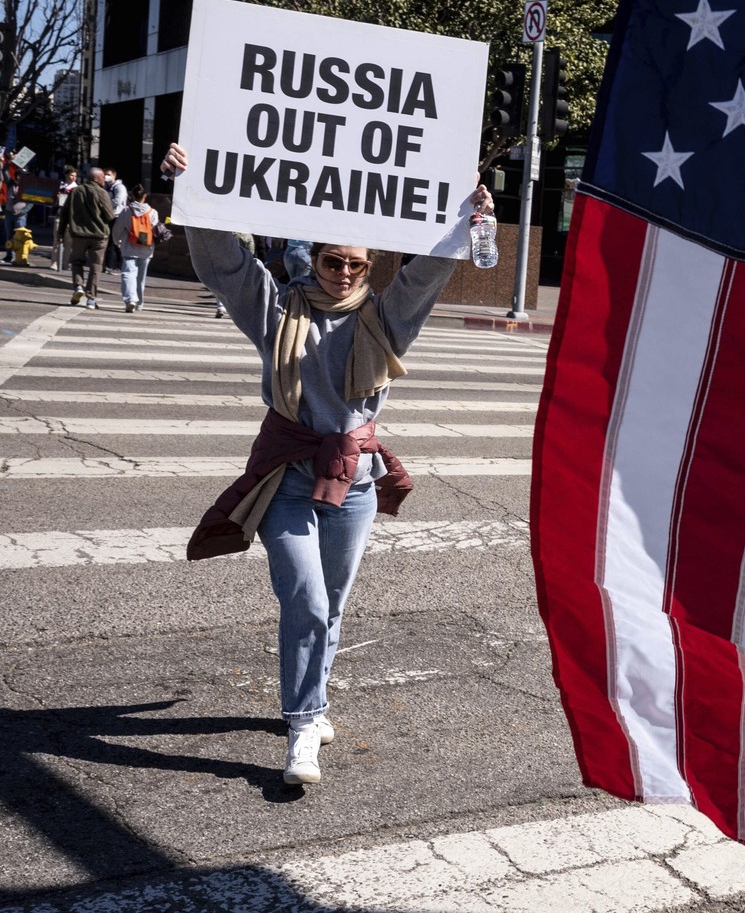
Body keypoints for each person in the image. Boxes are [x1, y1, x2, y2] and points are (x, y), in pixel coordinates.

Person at [164, 142, 487, 786]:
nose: (344, 272)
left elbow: (423, 276)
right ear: (314, 259)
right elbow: (226, 264)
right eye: (334, 260)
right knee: (306, 600)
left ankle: (310, 698)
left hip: (356, 484)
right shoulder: (278, 310)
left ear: (369, 268)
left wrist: (467, 216)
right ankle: (305, 721)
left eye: (356, 263)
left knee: (332, 605)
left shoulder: (385, 319)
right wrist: (193, 194)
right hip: (287, 479)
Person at [64, 168, 115, 309]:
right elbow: (110, 216)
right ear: (95, 179)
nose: (104, 180)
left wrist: (61, 232)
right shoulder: (102, 193)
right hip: (99, 236)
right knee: (95, 267)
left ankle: (78, 287)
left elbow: (65, 213)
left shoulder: (75, 191)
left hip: (79, 234)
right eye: (102, 178)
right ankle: (91, 299)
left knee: (76, 262)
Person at [110, 184, 161, 312]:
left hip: (129, 247)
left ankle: (130, 299)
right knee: (140, 278)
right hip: (146, 249)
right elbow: (155, 231)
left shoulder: (127, 211)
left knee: (128, 274)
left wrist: (118, 242)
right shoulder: (153, 212)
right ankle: (139, 303)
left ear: (132, 196)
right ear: (145, 196)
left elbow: (117, 230)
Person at [103, 167, 129, 274]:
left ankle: (119, 266)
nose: (106, 176)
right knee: (109, 242)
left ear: (114, 176)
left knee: (116, 242)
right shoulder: (106, 187)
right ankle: (108, 265)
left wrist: (105, 205)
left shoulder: (119, 187)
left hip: (118, 217)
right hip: (109, 217)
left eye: (108, 174)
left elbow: (118, 201)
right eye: (105, 174)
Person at [53, 167, 78, 272]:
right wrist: (56, 197)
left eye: (75, 176)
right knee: (57, 240)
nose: (73, 177)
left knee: (69, 243)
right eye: (71, 175)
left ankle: (65, 264)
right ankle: (54, 263)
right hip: (60, 215)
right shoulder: (60, 186)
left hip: (71, 218)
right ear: (66, 175)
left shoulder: (77, 188)